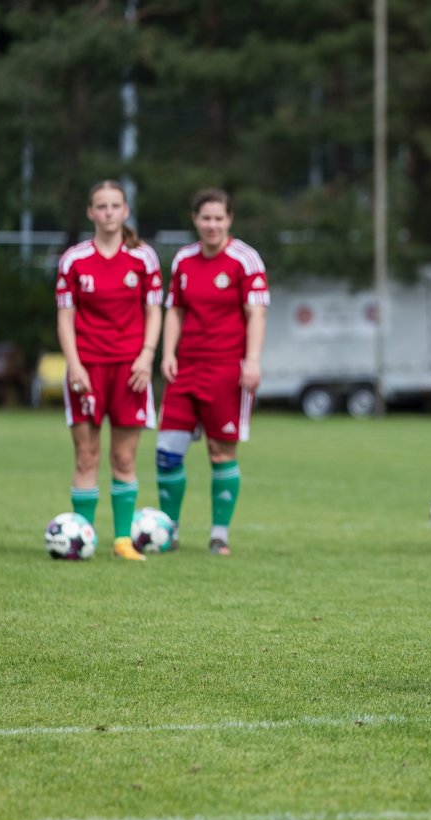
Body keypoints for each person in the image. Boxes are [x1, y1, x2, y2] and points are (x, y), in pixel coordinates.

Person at [156, 188, 269, 555]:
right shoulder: (184, 261)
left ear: (229, 220)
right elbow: (175, 310)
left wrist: (252, 360)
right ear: (195, 220)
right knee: (167, 452)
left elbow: (257, 313)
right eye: (206, 218)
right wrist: (167, 352)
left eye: (219, 218)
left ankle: (219, 533)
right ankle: (168, 531)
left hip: (226, 370)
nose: (212, 225)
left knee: (221, 452)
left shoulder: (245, 259)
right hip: (185, 368)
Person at [56, 180, 163, 561]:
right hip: (87, 369)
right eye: (100, 206)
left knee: (124, 459)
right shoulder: (73, 260)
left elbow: (154, 310)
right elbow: (65, 318)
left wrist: (147, 355)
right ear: (90, 212)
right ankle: (83, 539)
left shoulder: (144, 258)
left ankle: (122, 541)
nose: (107, 213)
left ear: (125, 211)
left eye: (114, 206)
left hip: (130, 370)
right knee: (86, 456)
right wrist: (74, 365)